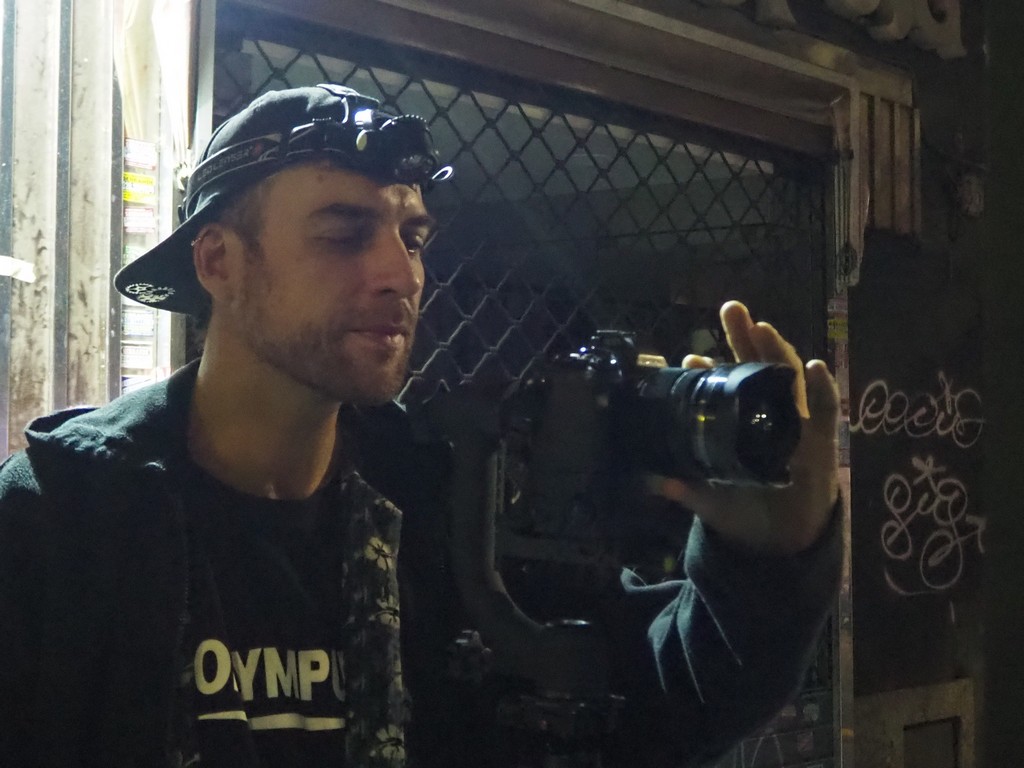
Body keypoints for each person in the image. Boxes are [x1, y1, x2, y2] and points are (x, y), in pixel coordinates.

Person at [0, 84, 842, 768]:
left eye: (412, 237)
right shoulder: (63, 518)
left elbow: (657, 708)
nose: (400, 274)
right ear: (218, 260)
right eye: (344, 234)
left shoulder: (445, 500)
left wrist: (765, 563)